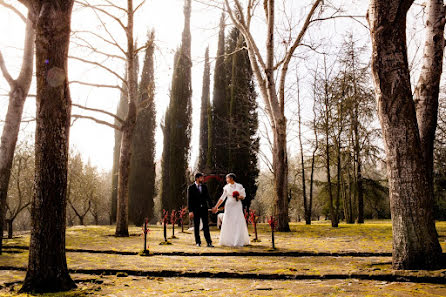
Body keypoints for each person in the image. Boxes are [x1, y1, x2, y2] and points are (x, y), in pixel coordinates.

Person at [212, 173, 250, 247]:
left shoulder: (239, 186)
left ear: (231, 179)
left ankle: (238, 240)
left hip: (237, 205)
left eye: (227, 178)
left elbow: (243, 196)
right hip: (229, 205)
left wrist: (239, 197)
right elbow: (222, 198)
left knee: (237, 221)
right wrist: (216, 206)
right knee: (228, 220)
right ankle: (228, 240)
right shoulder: (226, 187)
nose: (226, 180)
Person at [187, 172, 214, 247]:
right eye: (201, 177)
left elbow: (208, 198)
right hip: (195, 210)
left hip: (204, 209)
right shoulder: (191, 188)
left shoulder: (204, 187)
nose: (203, 179)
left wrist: (212, 207)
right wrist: (190, 211)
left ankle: (209, 242)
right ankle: (198, 242)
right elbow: (189, 200)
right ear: (197, 178)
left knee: (206, 226)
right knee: (196, 226)